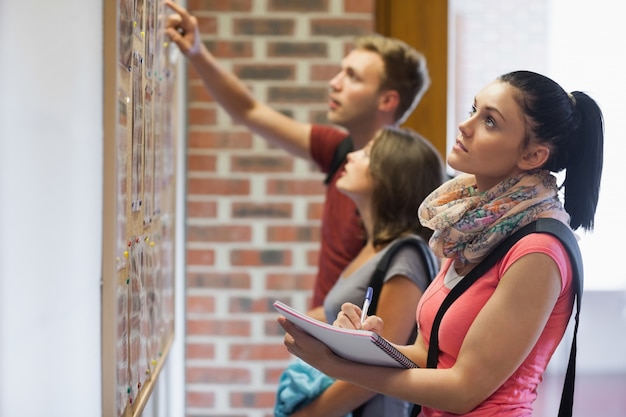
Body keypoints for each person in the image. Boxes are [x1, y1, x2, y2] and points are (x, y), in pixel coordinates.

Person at [279, 70, 604, 416]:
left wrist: (338, 367)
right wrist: (365, 347)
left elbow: (464, 390)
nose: (467, 126)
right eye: (473, 110)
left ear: (533, 157)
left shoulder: (538, 250)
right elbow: (429, 355)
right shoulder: (473, 226)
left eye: (490, 121)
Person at [164, 1, 431, 309]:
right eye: (340, 72)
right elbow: (249, 110)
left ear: (387, 100)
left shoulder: (406, 183)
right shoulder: (339, 148)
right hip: (322, 336)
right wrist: (197, 52)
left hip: (344, 344)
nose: (334, 83)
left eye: (352, 77)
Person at [277, 126, 446, 417]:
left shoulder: (406, 254)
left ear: (390, 175)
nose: (351, 157)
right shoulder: (374, 247)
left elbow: (377, 373)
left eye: (366, 153)